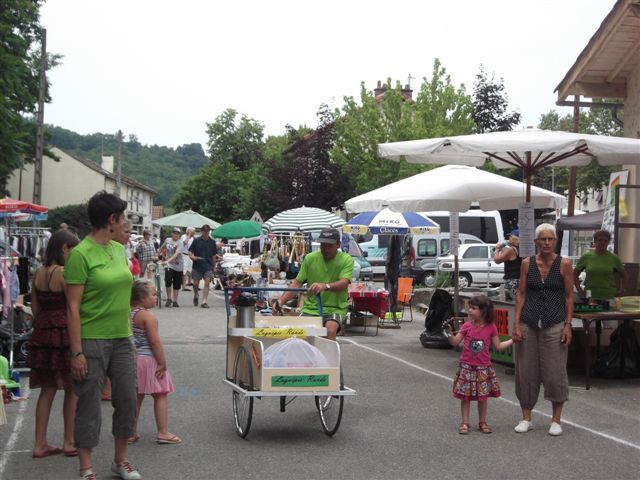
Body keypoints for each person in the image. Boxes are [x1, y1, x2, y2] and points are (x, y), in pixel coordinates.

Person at [64, 191, 141, 480]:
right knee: (89, 403)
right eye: (122, 217)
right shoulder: (80, 255)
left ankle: (120, 460)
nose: (124, 223)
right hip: (91, 339)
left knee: (126, 399)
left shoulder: (117, 249)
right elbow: (72, 307)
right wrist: (76, 352)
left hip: (122, 337)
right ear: (111, 219)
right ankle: (86, 468)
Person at [513, 223, 573, 437]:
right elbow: (521, 293)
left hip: (555, 322)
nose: (546, 243)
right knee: (526, 370)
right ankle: (526, 417)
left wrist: (568, 325)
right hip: (530, 320)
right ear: (536, 242)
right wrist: (516, 323)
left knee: (555, 371)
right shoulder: (527, 263)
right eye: (543, 239)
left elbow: (568, 296)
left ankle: (556, 420)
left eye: (550, 239)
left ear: (555, 241)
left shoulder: (564, 264)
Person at [28, 229, 80, 458]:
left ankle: (40, 443)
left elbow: (35, 308)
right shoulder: (64, 273)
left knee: (46, 390)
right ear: (64, 248)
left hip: (43, 332)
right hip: (64, 333)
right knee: (71, 388)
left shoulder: (38, 272)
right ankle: (69, 441)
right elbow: (73, 306)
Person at [446, 295, 513, 434]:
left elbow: (498, 346)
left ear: (484, 311)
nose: (469, 310)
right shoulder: (466, 326)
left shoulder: (491, 327)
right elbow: (455, 342)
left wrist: (513, 340)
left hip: (483, 367)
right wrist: (448, 333)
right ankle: (465, 422)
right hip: (466, 366)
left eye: (473, 308)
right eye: (469, 308)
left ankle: (482, 422)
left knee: (483, 397)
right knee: (465, 397)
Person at [272, 228, 354, 341]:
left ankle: (328, 357)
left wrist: (325, 286)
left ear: (338, 244)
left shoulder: (346, 259)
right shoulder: (310, 258)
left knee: (329, 330)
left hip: (335, 309)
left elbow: (344, 283)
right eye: (323, 245)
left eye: (329, 245)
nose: (325, 249)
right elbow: (296, 284)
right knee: (297, 333)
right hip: (310, 309)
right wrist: (280, 301)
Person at [128, 280, 181, 445]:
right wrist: (162, 363)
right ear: (142, 298)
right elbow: (155, 342)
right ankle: (163, 431)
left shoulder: (131, 314)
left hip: (135, 359)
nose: (156, 297)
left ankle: (130, 432)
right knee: (160, 394)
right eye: (153, 294)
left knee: (136, 396)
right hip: (149, 360)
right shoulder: (148, 316)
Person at [573, 229, 628, 302]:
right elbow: (574, 274)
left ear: (608, 242)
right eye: (600, 240)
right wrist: (579, 290)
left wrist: (622, 290)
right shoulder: (586, 256)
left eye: (605, 240)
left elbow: (624, 275)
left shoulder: (614, 258)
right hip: (590, 297)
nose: (602, 242)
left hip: (609, 297)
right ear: (595, 241)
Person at [188, 224, 217, 308]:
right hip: (197, 265)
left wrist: (214, 267)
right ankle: (196, 294)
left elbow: (214, 256)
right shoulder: (196, 240)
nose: (206, 232)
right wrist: (193, 257)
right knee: (195, 284)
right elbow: (190, 252)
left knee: (207, 284)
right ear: (202, 231)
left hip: (208, 265)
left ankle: (204, 301)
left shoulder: (212, 242)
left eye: (207, 231)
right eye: (204, 231)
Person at [494, 229, 522, 301]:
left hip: (512, 279)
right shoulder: (522, 249)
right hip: (520, 278)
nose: (508, 239)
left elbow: (497, 260)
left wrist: (497, 249)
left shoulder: (512, 250)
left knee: (512, 301)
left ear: (514, 238)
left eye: (510, 237)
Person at [159, 227, 184, 307]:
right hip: (169, 265)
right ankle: (169, 298)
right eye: (174, 233)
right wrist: (157, 255)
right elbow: (162, 247)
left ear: (179, 235)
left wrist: (167, 260)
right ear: (172, 233)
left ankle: (175, 300)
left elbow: (176, 254)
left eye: (177, 233)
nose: (175, 235)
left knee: (177, 283)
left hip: (178, 265)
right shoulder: (168, 240)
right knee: (168, 280)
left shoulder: (180, 243)